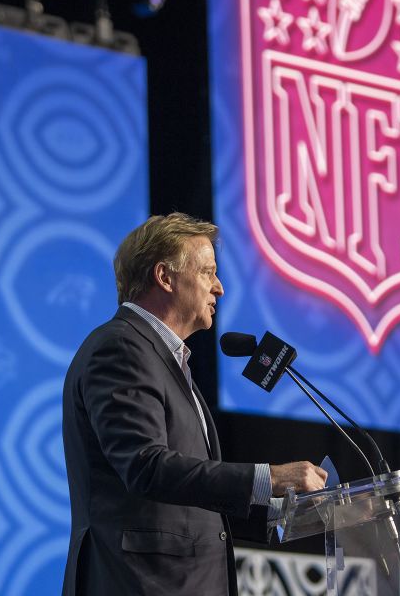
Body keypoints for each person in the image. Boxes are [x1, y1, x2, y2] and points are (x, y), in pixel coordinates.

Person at [61, 213, 328, 595]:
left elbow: (194, 503)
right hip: (139, 583)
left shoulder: (164, 359)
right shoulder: (121, 349)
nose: (218, 288)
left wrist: (293, 508)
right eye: (207, 272)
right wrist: (268, 478)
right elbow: (145, 466)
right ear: (165, 277)